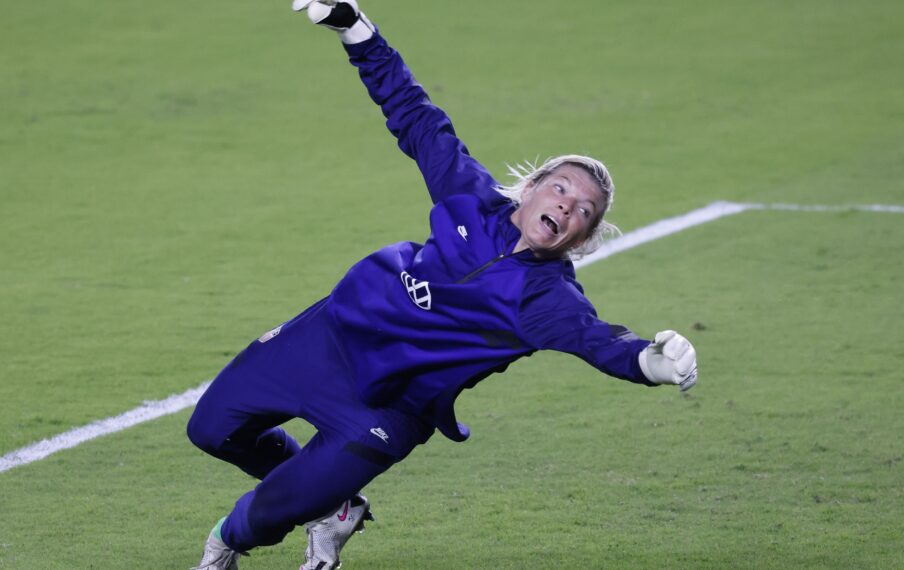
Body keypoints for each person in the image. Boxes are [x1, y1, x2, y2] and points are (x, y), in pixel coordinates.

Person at [187, 1, 699, 568]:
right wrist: (355, 28)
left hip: (385, 408)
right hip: (326, 341)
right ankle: (333, 507)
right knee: (211, 428)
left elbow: (605, 344)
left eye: (584, 210)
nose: (567, 205)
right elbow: (412, 112)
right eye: (560, 188)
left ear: (582, 238)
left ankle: (239, 538)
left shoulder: (545, 300)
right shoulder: (467, 194)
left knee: (256, 520)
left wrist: (657, 362)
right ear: (529, 188)